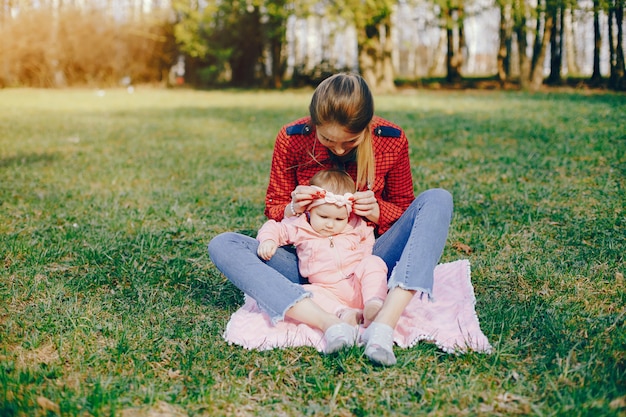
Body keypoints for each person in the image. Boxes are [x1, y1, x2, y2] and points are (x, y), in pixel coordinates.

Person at [208, 72, 453, 366]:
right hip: (308, 263)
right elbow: (274, 206)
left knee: (438, 198)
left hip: (368, 256)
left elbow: (405, 209)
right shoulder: (292, 138)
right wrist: (293, 208)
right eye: (327, 140)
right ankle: (328, 322)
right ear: (313, 125)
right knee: (224, 245)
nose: (338, 150)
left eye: (349, 142)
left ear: (368, 126)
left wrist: (377, 212)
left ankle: (384, 323)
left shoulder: (391, 141)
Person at [256, 169, 388, 352]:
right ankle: (345, 314)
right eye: (323, 217)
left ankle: (374, 304)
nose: (330, 224)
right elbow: (275, 228)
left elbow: (368, 240)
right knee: (305, 292)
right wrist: (269, 240)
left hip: (357, 283)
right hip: (327, 290)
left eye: (339, 218)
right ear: (310, 211)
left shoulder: (355, 225)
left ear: (348, 215)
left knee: (373, 263)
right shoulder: (301, 227)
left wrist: (364, 258)